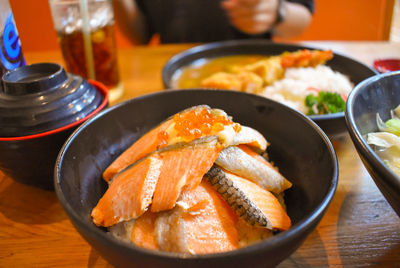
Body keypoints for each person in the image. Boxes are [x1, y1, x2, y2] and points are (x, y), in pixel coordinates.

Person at [114, 0, 314, 44]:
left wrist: (277, 12)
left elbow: (303, 18)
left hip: (251, 69)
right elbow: (140, 35)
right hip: (171, 75)